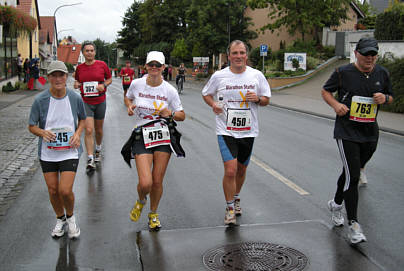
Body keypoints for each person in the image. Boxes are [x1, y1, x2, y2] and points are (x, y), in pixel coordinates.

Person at [321, 37, 394, 244]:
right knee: (353, 176)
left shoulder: (382, 73)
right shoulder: (343, 73)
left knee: (349, 172)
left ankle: (336, 204)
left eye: (373, 54)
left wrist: (385, 99)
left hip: (370, 132)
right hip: (347, 132)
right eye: (366, 54)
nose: (370, 58)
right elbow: (326, 91)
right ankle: (354, 225)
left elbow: (391, 96)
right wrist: (336, 105)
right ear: (356, 53)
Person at [202, 40, 271, 225]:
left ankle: (236, 196)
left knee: (241, 169)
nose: (239, 56)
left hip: (248, 131)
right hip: (226, 129)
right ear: (229, 56)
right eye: (235, 53)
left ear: (246, 56)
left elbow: (266, 99)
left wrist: (257, 99)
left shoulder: (256, 75)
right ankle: (230, 207)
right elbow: (206, 94)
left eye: (242, 53)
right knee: (231, 170)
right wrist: (214, 104)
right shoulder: (219, 76)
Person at [124, 51, 185, 231]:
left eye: (158, 65)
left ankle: (153, 214)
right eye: (151, 64)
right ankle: (141, 200)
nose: (154, 68)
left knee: (157, 181)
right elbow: (128, 97)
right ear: (145, 66)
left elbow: (182, 115)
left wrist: (171, 114)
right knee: (145, 183)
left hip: (163, 136)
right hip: (141, 134)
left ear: (163, 68)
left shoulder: (169, 90)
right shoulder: (137, 84)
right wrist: (129, 106)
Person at [28, 60, 86, 239]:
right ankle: (60, 218)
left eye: (61, 75)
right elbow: (31, 126)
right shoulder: (40, 100)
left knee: (65, 190)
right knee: (53, 190)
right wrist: (42, 132)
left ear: (66, 77)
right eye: (54, 75)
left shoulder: (75, 97)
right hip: (48, 152)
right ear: (49, 78)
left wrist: (77, 134)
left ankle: (71, 217)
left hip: (70, 150)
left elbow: (83, 119)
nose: (58, 78)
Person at [74, 41, 112, 171]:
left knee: (99, 130)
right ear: (83, 53)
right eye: (87, 51)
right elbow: (78, 80)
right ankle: (90, 158)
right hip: (86, 102)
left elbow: (109, 79)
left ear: (94, 52)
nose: (89, 53)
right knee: (89, 130)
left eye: (91, 50)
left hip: (100, 101)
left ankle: (98, 149)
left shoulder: (102, 65)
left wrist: (104, 85)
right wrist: (76, 84)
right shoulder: (79, 68)